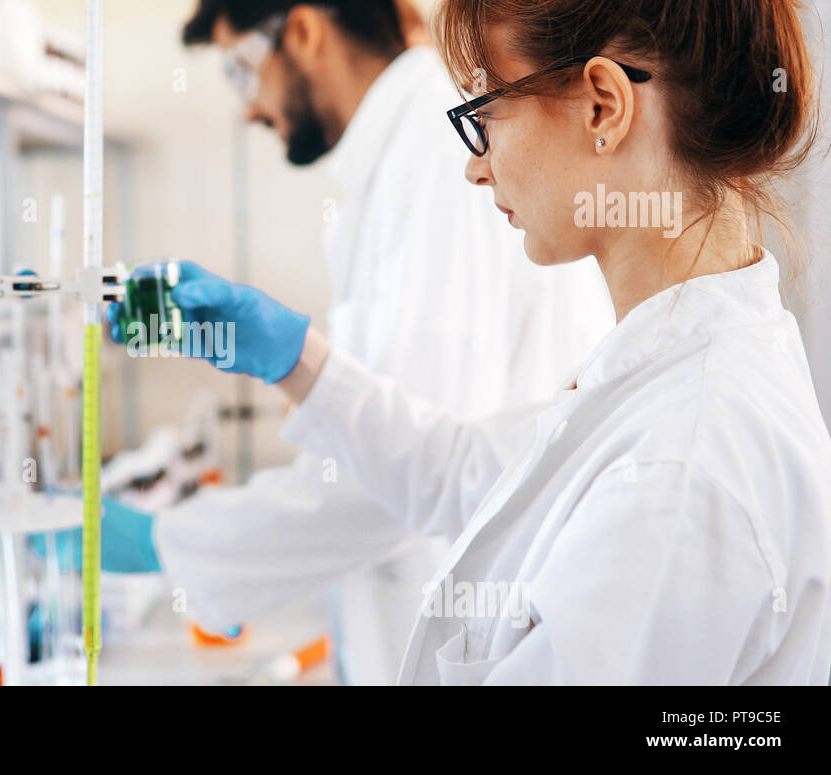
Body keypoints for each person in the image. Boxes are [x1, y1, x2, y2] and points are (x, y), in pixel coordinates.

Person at [128, 0, 831, 684]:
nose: (475, 165)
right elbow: (463, 470)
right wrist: (297, 360)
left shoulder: (679, 471)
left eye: (486, 115)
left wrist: (165, 550)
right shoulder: (666, 364)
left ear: (603, 108)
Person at [78, 0, 613, 685]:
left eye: (242, 70)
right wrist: (293, 363)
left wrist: (170, 543)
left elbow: (401, 476)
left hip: (479, 630)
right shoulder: (393, 156)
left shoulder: (431, 146)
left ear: (302, 31)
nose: (247, 109)